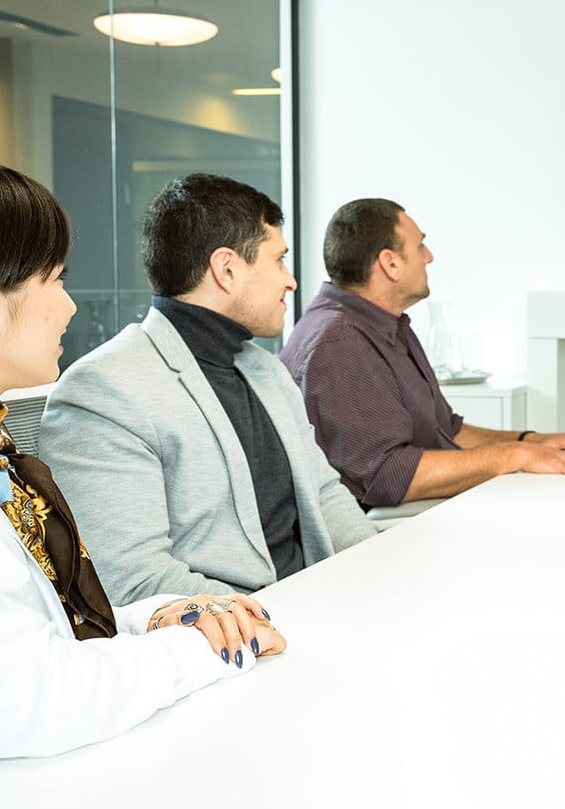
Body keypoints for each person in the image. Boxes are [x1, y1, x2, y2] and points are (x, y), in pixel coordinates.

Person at [0, 160, 281, 759]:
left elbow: (43, 629)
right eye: (55, 280)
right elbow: (20, 698)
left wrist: (158, 618)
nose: (70, 308)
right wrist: (203, 649)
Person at [40, 173, 375, 606]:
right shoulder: (104, 391)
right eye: (278, 260)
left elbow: (325, 494)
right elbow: (131, 581)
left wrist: (378, 571)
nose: (290, 281)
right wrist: (289, 615)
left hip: (318, 609)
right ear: (227, 269)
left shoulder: (265, 371)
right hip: (233, 644)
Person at [281, 199, 565, 508]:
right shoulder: (338, 342)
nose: (429, 256)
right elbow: (386, 476)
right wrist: (515, 456)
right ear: (391, 264)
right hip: (381, 531)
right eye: (420, 246)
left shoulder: (386, 325)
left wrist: (531, 440)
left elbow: (447, 431)